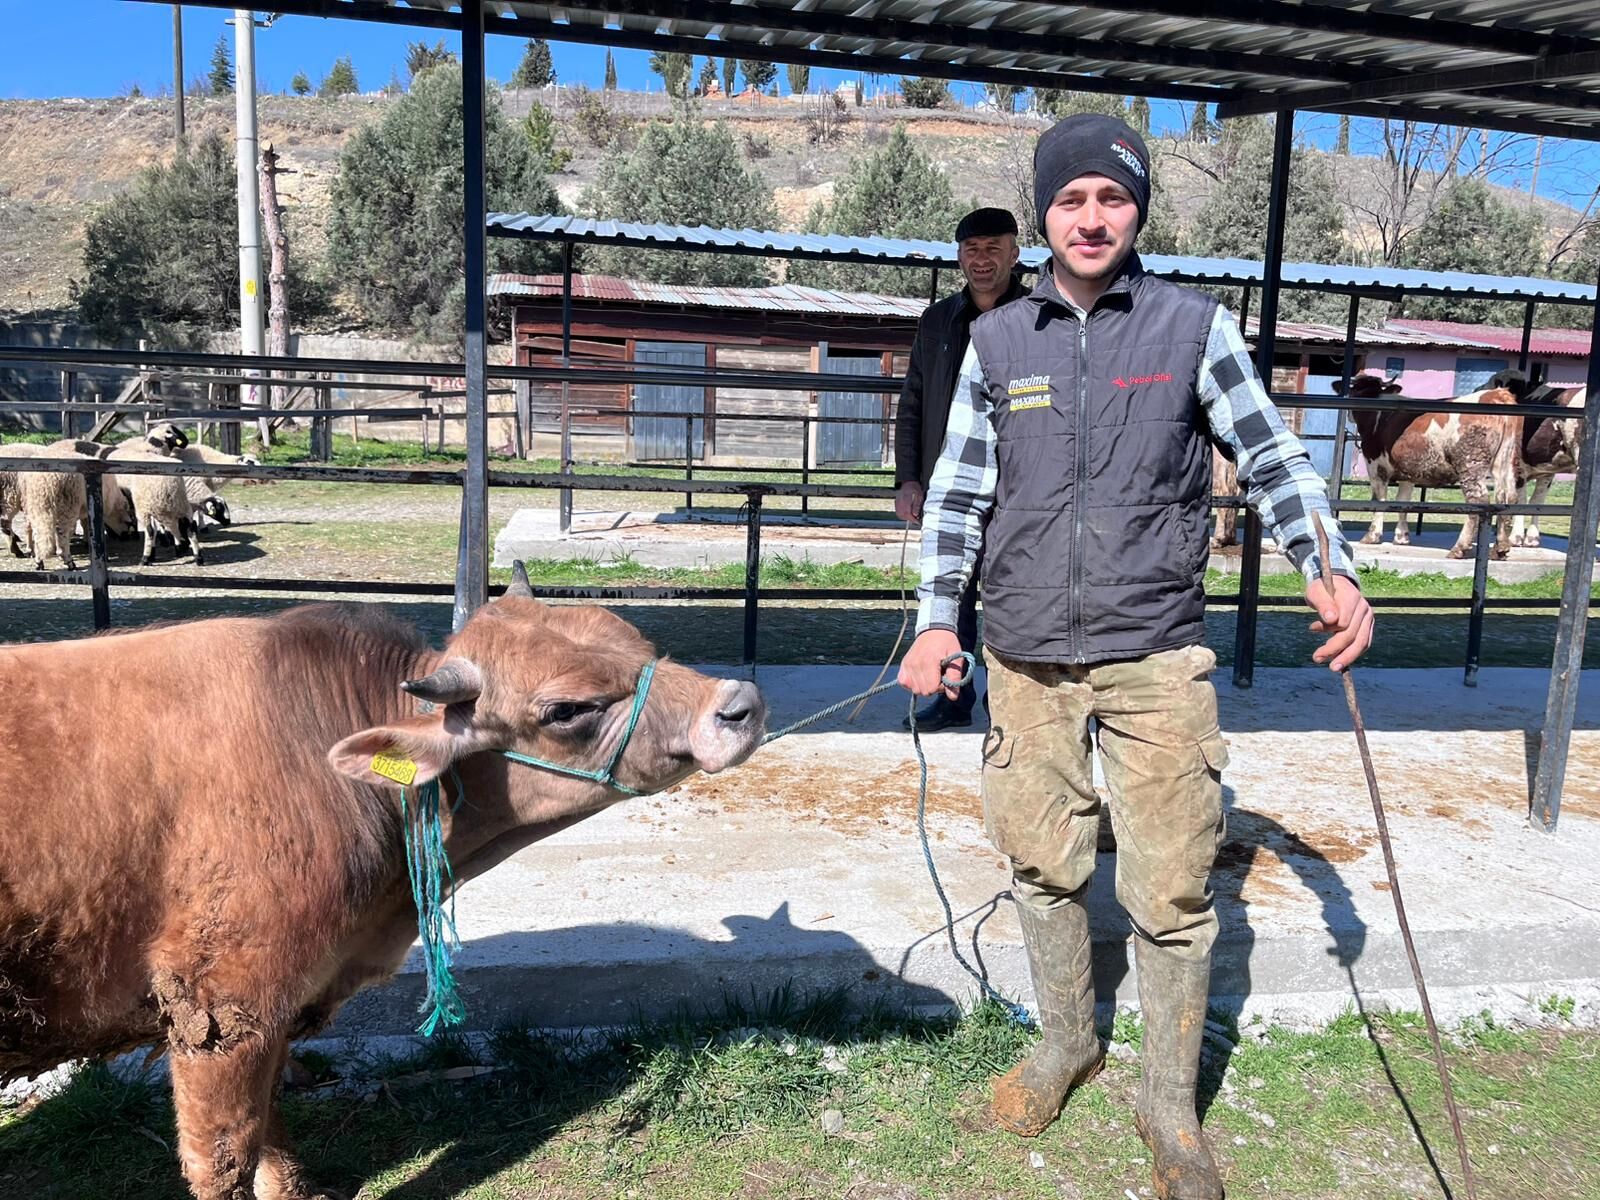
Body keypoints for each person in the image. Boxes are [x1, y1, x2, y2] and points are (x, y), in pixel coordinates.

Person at [897, 114, 1373, 1200]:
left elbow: (1273, 454)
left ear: (1138, 209)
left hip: (1155, 653)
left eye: (1111, 198)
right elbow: (960, 497)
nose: (1091, 217)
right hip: (1021, 655)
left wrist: (1323, 559)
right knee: (1040, 865)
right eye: (1070, 201)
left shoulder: (1188, 328)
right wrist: (936, 621)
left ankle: (1169, 1108)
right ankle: (1066, 1042)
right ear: (1043, 218)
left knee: (1167, 890)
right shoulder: (994, 341)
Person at [894, 206, 1027, 731]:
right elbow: (914, 401)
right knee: (953, 592)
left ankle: (1012, 708)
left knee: (1012, 596)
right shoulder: (937, 321)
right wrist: (909, 478)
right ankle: (954, 699)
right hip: (949, 482)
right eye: (972, 251)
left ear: (1015, 254)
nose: (982, 260)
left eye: (993, 249)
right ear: (959, 258)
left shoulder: (1037, 318)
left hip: (1019, 488)